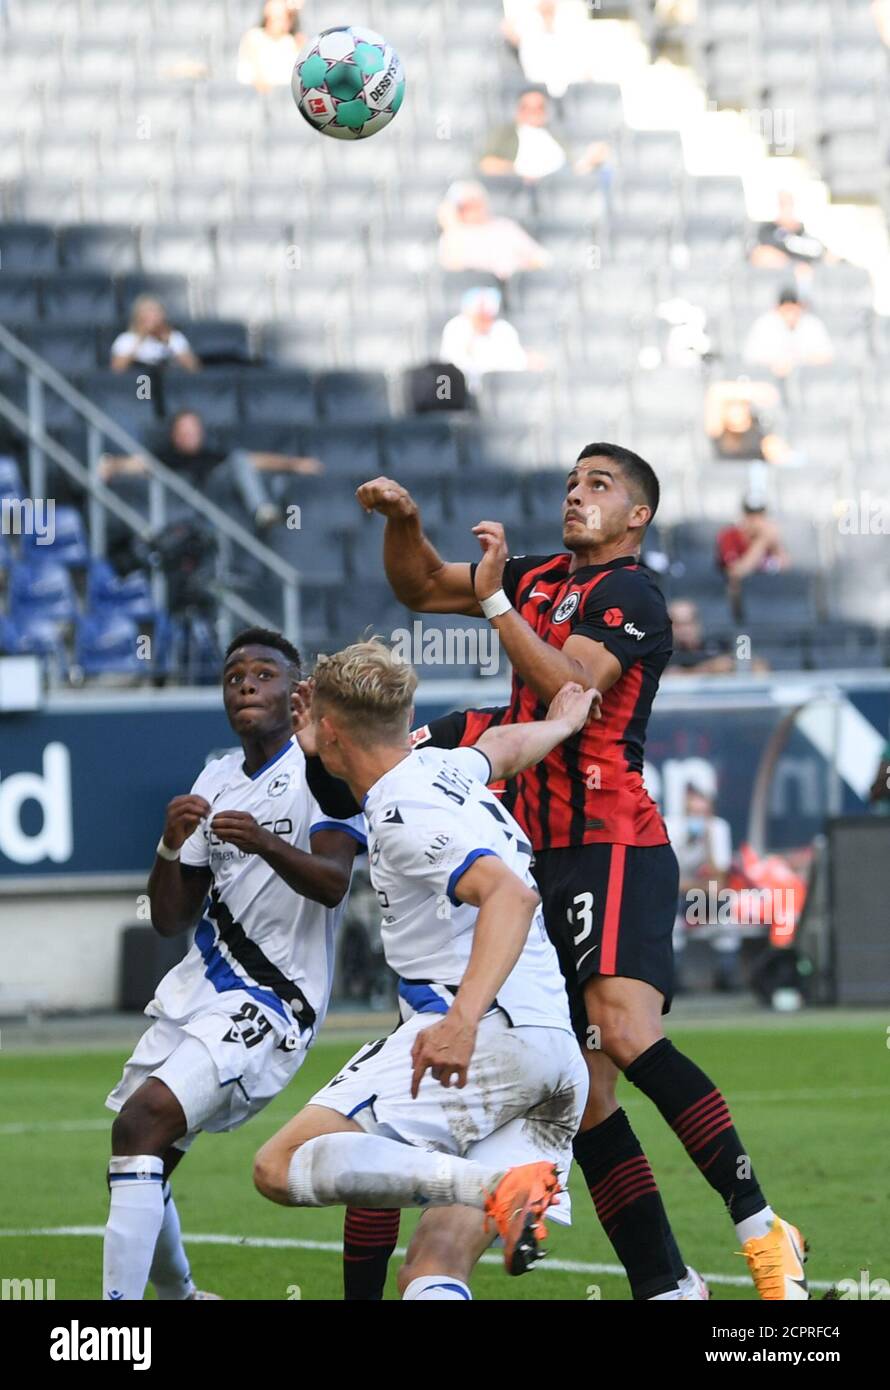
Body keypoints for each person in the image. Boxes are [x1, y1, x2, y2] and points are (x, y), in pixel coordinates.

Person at [341, 452, 809, 1301]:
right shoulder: (535, 575)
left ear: (637, 516)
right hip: (534, 850)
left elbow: (571, 692)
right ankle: (668, 1286)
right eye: (570, 484)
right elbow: (418, 589)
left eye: (599, 486)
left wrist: (490, 601)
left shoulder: (631, 593)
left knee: (622, 1032)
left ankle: (762, 1227)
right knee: (583, 1096)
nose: (576, 496)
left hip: (613, 840)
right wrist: (402, 524)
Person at [253, 642, 592, 1294]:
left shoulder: (403, 812)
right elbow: (504, 746)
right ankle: (504, 1190)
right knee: (433, 1261)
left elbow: (510, 895)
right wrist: (561, 725)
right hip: (554, 1058)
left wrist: (461, 1021)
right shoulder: (443, 768)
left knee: (279, 1163)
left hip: (485, 1037)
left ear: (329, 731)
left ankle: (498, 1187)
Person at [101, 628, 367, 1300]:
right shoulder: (216, 775)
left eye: (263, 674)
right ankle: (183, 1296)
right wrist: (168, 847)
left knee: (142, 1123)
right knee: (137, 1143)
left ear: (296, 691)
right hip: (199, 990)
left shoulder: (325, 772)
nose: (246, 684)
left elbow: (335, 881)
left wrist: (263, 842)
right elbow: (169, 918)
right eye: (233, 677)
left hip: (274, 1001)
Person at [100, 410, 322, 530]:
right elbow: (140, 463)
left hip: (215, 496)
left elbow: (253, 460)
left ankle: (262, 510)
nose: (189, 435)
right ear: (174, 434)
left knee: (239, 460)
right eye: (184, 431)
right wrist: (113, 465)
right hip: (180, 503)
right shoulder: (166, 455)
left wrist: (294, 464)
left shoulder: (210, 454)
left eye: (193, 430)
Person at [665, 784, 740, 993]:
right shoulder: (671, 826)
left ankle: (726, 976)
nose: (697, 816)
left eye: (702, 811)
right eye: (693, 811)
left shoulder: (718, 828)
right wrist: (700, 884)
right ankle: (674, 978)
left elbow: (719, 878)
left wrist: (707, 842)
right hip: (678, 897)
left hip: (703, 897)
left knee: (726, 913)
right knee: (671, 920)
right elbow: (669, 878)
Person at [479, 86, 610, 183]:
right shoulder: (505, 134)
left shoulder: (554, 136)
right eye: (527, 108)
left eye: (539, 108)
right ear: (519, 111)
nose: (534, 112)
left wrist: (591, 160)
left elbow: (573, 169)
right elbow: (487, 164)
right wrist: (519, 173)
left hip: (558, 187)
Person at [437, 181, 551, 280]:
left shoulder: (505, 228)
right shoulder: (452, 237)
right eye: (466, 207)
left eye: (476, 204)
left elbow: (542, 258)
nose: (473, 211)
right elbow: (453, 270)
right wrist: (451, 225)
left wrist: (522, 269)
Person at [439, 286, 543, 389]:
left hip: (500, 389)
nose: (483, 314)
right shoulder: (455, 327)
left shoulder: (503, 329)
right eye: (479, 311)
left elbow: (514, 362)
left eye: (487, 312)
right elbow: (453, 365)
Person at [501, 0, 599, 98]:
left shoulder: (571, 21)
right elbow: (507, 29)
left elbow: (583, 57)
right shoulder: (528, 28)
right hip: (538, 91)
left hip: (572, 89)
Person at [743, 289, 834, 378]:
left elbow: (827, 356)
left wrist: (799, 363)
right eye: (786, 310)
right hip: (769, 380)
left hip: (807, 380)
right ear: (777, 308)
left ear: (800, 307)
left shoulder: (812, 324)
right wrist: (775, 363)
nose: (790, 315)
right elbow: (751, 356)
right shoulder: (764, 324)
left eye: (794, 310)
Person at [705, 379, 793, 465]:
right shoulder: (718, 431)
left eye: (741, 406)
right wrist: (748, 392)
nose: (737, 412)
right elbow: (716, 392)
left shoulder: (762, 435)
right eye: (731, 408)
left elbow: (771, 394)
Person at [110, 297, 200, 374]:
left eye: (155, 313)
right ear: (138, 316)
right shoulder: (126, 339)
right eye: (147, 313)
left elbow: (194, 368)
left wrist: (168, 342)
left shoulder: (175, 337)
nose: (152, 318)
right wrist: (140, 339)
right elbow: (117, 370)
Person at [716, 497, 790, 588]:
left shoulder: (769, 536)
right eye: (751, 514)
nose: (755, 520)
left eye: (760, 515)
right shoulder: (730, 536)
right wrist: (762, 542)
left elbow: (785, 567)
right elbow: (735, 572)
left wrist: (775, 544)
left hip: (768, 594)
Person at [236, 0, 304, 92]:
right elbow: (258, 79)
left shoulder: (291, 42)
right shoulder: (254, 37)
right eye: (275, 18)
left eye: (283, 17)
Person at [750, 191, 827, 273]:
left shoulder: (806, 236)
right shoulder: (767, 232)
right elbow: (762, 255)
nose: (788, 210)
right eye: (783, 205)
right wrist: (794, 266)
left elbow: (826, 256)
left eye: (790, 205)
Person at [666, 598, 735, 675]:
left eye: (688, 623)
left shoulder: (719, 645)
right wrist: (711, 668)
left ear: (698, 623)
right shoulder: (663, 654)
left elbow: (741, 665)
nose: (684, 630)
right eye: (678, 624)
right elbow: (671, 674)